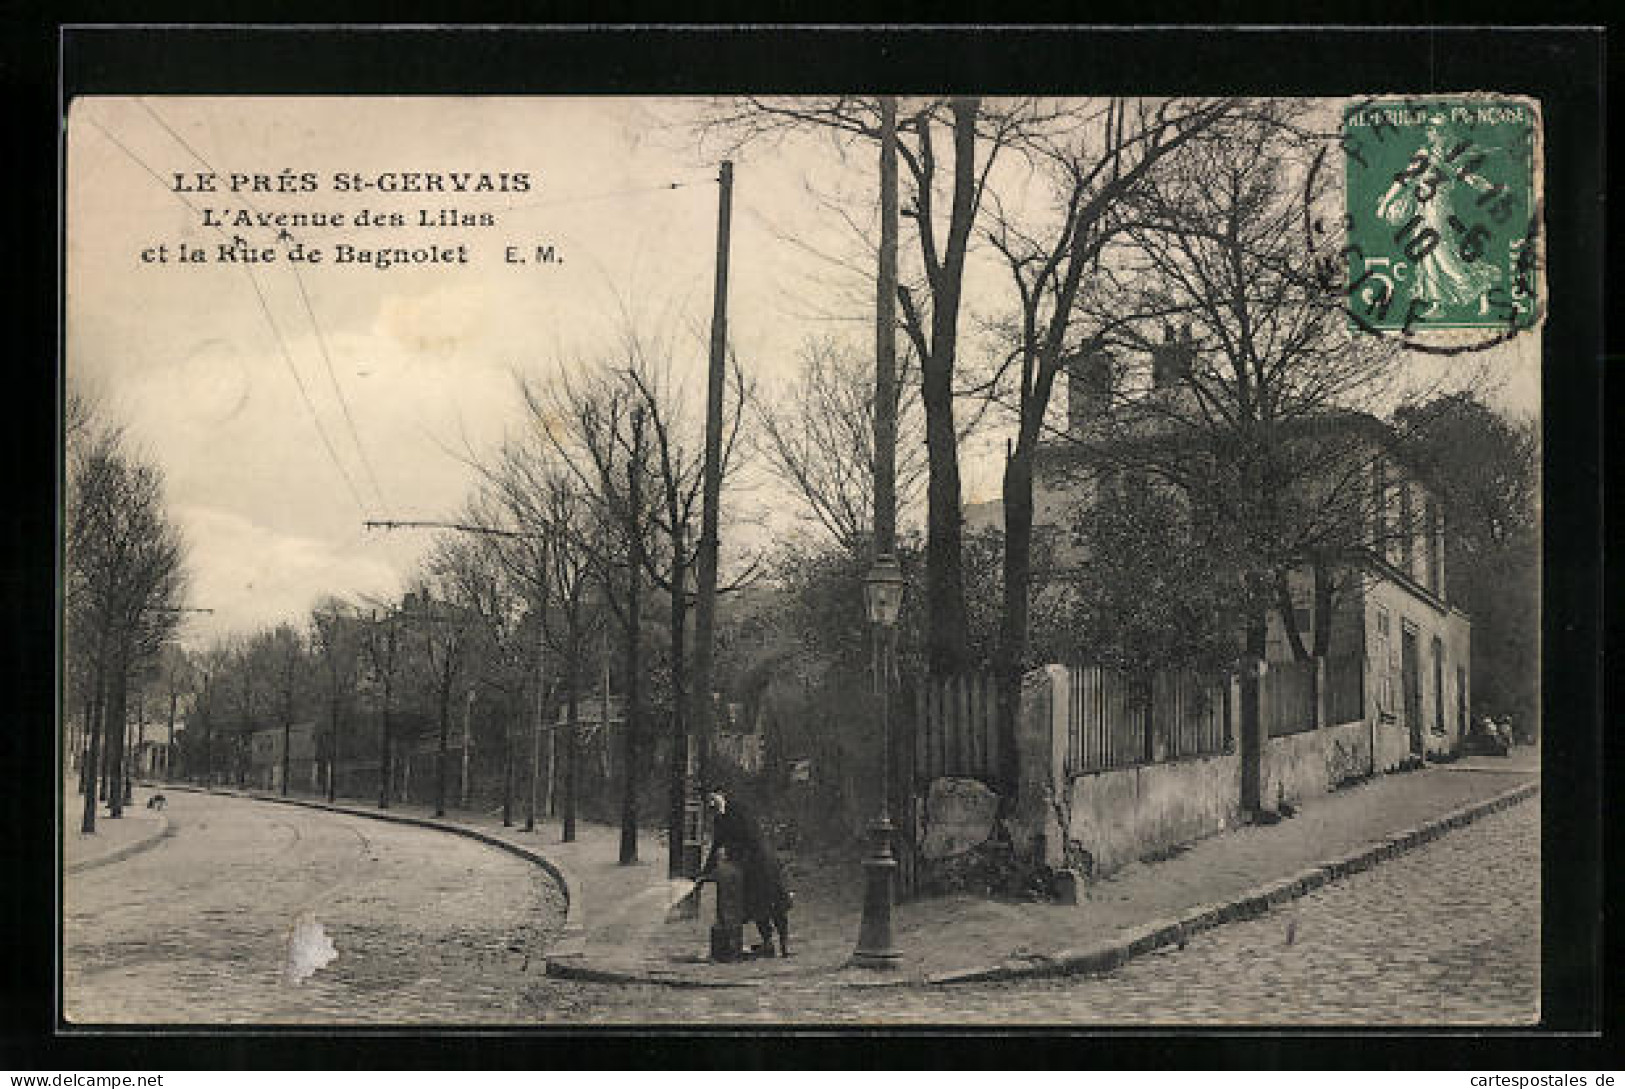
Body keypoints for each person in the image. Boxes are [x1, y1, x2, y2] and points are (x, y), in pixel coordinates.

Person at [700, 789, 791, 957]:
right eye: (709, 802)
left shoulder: (740, 809)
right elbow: (716, 845)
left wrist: (735, 853)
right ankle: (768, 943)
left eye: (714, 799)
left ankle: (784, 944)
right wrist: (705, 872)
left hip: (763, 862)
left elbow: (752, 836)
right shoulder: (719, 819)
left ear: (721, 796)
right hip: (748, 868)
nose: (712, 804)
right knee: (758, 906)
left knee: (776, 904)